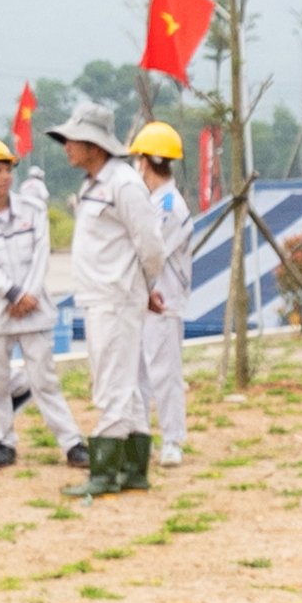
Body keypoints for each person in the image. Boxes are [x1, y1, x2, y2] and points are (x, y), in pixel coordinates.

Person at [47, 104, 158, 497]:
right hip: (100, 297)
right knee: (123, 383)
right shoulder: (94, 184)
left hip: (117, 297)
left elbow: (150, 243)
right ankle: (133, 468)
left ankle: (105, 472)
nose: (66, 147)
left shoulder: (124, 184)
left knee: (112, 382)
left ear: (94, 144)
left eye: (72, 140)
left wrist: (146, 287)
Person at [0, 137, 82, 471]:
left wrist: (25, 295)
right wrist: (12, 294)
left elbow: (41, 256)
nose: (4, 176)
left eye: (7, 169)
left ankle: (72, 442)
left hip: (34, 309)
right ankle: (3, 442)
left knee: (44, 379)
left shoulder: (33, 209)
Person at [126, 121, 193, 467]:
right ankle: (140, 437)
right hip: (144, 299)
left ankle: (172, 440)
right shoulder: (154, 200)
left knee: (164, 373)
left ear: (145, 163)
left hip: (163, 300)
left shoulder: (169, 205)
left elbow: (150, 252)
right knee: (137, 373)